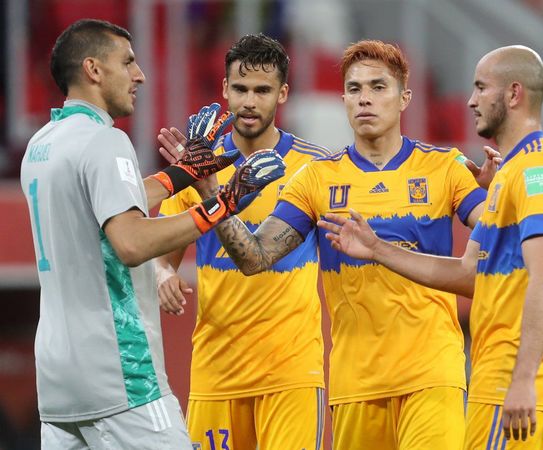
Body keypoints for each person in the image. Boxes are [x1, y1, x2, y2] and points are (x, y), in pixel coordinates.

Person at [210, 40, 499, 450]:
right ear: (343, 99)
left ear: (404, 98)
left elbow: (497, 247)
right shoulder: (315, 179)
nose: (365, 98)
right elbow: (255, 257)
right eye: (354, 88)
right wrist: (213, 198)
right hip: (354, 385)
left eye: (378, 87)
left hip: (433, 376)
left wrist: (499, 190)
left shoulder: (445, 168)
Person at [20, 19, 285, 450]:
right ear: (93, 69)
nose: (139, 74)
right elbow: (131, 242)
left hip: (57, 381)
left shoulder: (43, 143)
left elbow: (108, 206)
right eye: (127, 62)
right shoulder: (105, 142)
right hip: (119, 373)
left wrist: (182, 174)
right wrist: (223, 205)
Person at [318, 45, 543, 450]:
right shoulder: (507, 177)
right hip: (492, 369)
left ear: (512, 94)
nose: (470, 100)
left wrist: (524, 379)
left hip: (514, 371)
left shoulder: (535, 171)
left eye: (480, 88)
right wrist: (379, 249)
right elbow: (469, 274)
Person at [156, 34, 330, 450]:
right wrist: (162, 273)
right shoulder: (196, 165)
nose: (250, 101)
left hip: (291, 372)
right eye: (241, 89)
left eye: (262, 90)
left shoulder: (315, 167)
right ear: (224, 90)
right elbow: (162, 256)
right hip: (217, 369)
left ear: (283, 93)